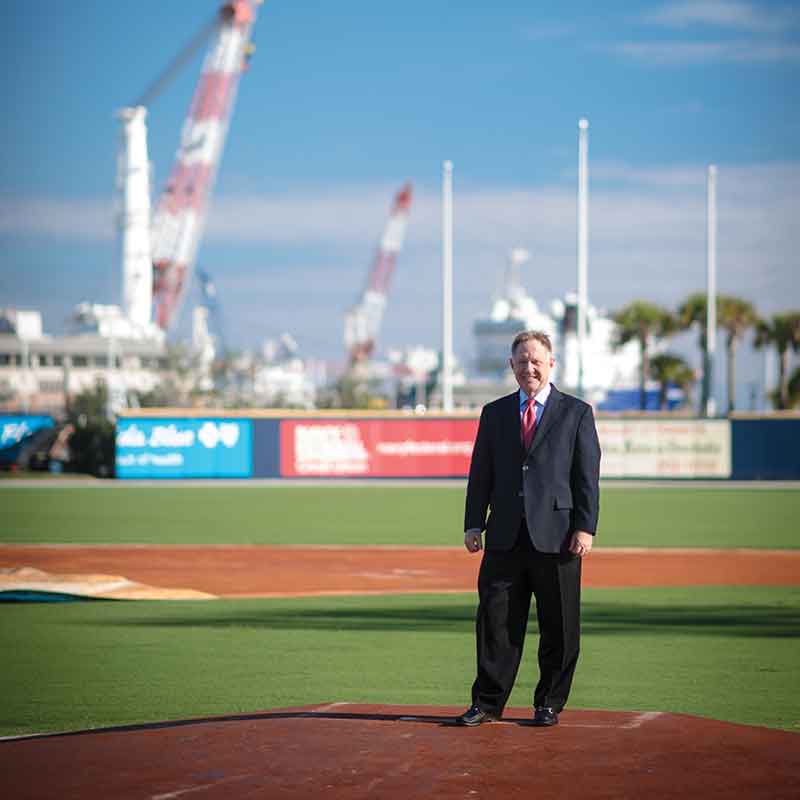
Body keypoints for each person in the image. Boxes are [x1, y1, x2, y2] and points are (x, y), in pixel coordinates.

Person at [458, 330, 601, 727]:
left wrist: (585, 527)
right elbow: (480, 472)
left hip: (557, 537)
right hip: (504, 535)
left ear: (551, 363)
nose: (529, 368)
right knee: (495, 624)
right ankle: (486, 703)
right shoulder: (494, 412)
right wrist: (474, 522)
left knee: (560, 625)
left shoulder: (576, 413)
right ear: (512, 366)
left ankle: (549, 703)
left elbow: (586, 477)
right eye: (521, 361)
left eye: (536, 360)